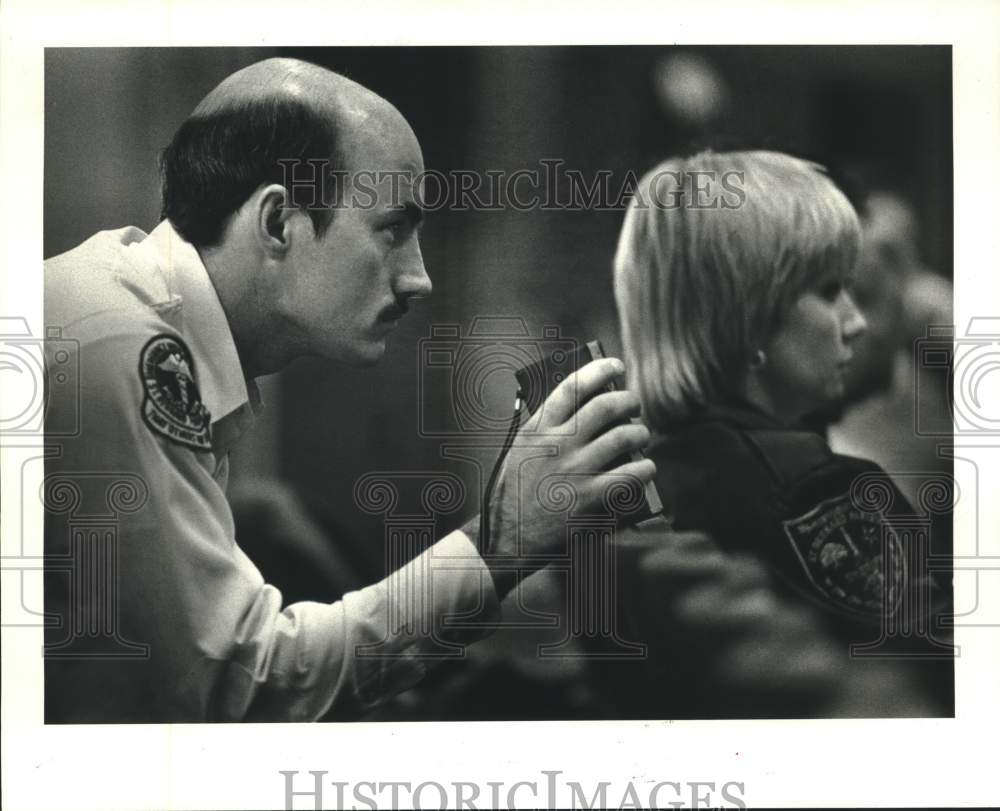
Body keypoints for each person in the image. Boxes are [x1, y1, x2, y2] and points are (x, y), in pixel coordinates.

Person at [42, 57, 656, 722]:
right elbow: (239, 684)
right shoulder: (120, 345)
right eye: (393, 230)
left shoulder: (134, 322)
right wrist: (498, 546)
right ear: (278, 223)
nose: (419, 278)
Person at [612, 150, 952, 713]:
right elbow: (949, 678)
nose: (856, 321)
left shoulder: (631, 476)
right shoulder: (822, 489)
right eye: (828, 292)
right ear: (749, 316)